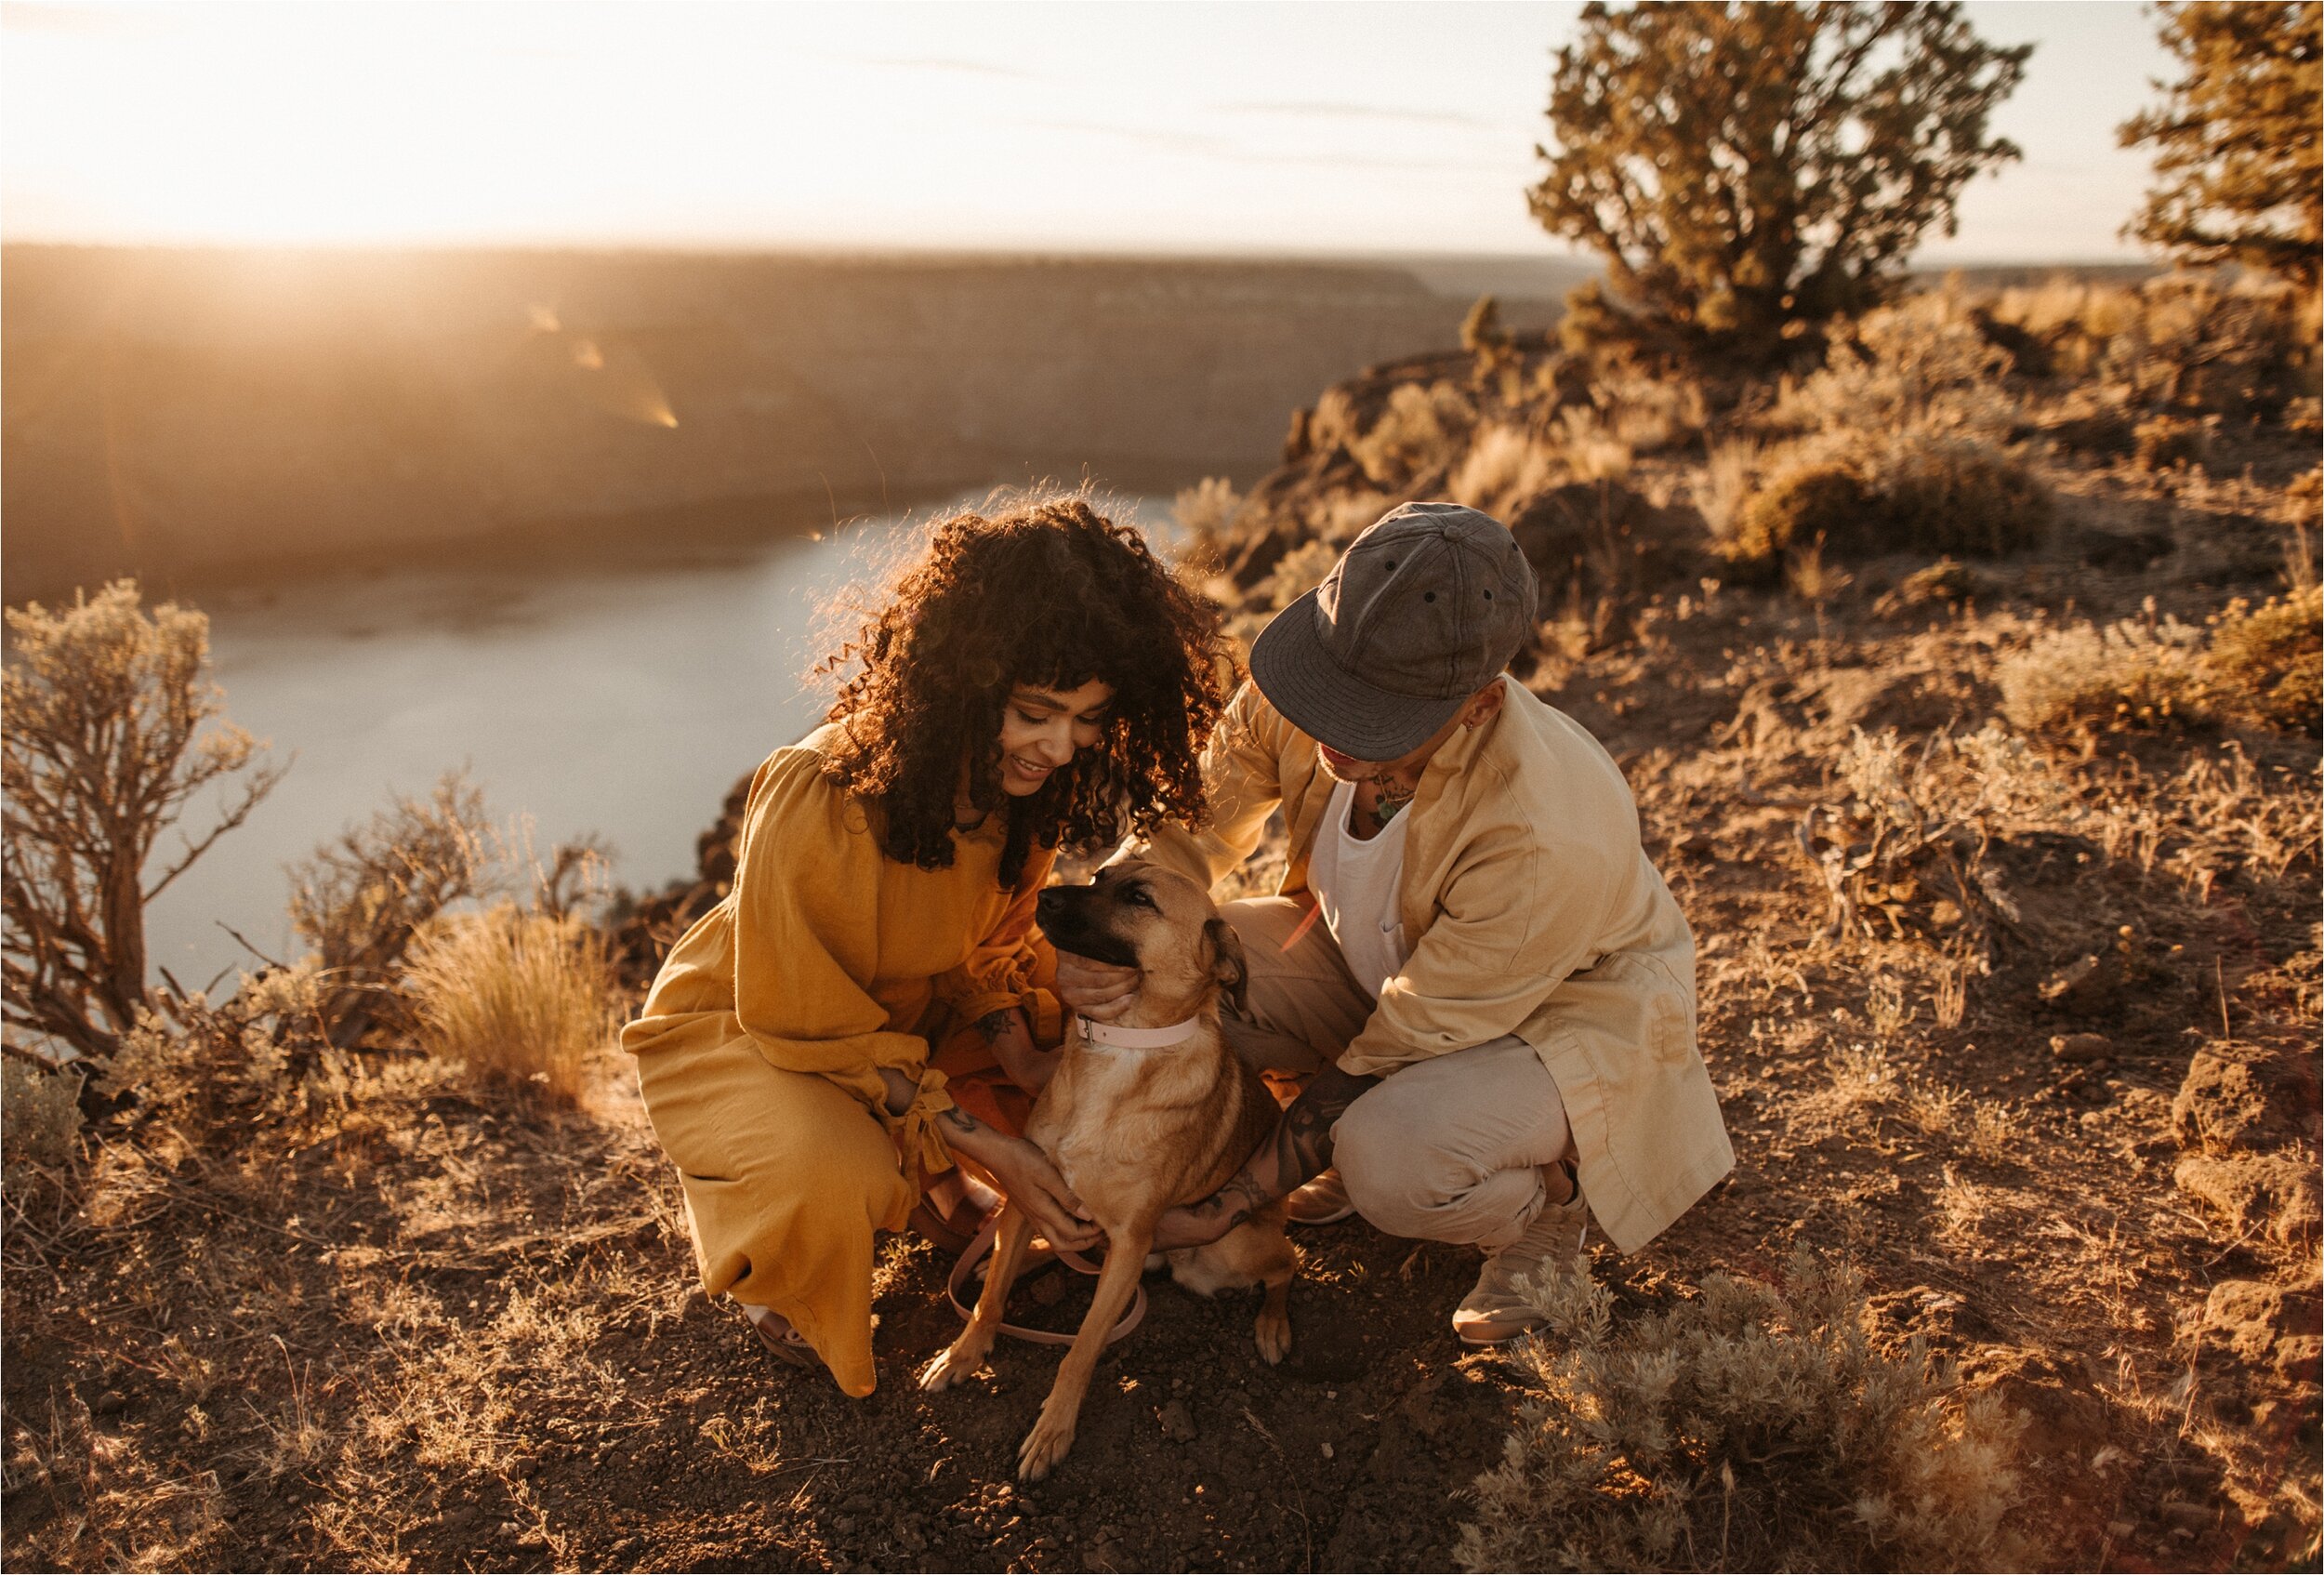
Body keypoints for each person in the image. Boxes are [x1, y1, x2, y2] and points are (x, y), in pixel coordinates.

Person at [1057, 501, 1733, 1343]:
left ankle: (1547, 1209)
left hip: (1559, 1025)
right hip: (1383, 972)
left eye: (1375, 715)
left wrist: (1236, 1200)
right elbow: (1183, 833)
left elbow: (1410, 1031)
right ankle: (1345, 1133)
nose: (1334, 726)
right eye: (1335, 687)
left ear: (1481, 707)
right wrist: (1109, 947)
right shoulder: (1303, 692)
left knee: (1389, 1162)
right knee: (1179, 966)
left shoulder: (1539, 832)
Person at [624, 496, 1226, 1396]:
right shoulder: (819, 789)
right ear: (965, 681)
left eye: (1090, 717)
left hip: (914, 1013)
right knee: (834, 1174)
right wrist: (994, 1142)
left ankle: (935, 1174)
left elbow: (986, 947)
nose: (1062, 747)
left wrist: (1019, 1049)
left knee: (1097, 1082)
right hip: (766, 1026)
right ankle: (776, 1229)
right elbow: (801, 1017)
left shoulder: (1016, 785)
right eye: (1037, 711)